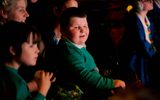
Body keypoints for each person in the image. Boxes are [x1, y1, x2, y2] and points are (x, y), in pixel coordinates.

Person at [53, 7, 126, 100]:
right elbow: (83, 75)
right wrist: (111, 83)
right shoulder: (68, 50)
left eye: (85, 26)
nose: (83, 30)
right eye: (76, 27)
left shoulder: (76, 46)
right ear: (63, 31)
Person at [0, 21, 55, 100]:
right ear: (14, 50)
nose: (37, 50)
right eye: (31, 46)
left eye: (37, 45)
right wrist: (42, 91)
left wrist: (35, 84)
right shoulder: (15, 81)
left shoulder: (7, 73)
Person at [119, 0, 160, 89]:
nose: (152, 2)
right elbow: (141, 44)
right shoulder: (134, 22)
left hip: (149, 54)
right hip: (138, 59)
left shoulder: (148, 18)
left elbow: (154, 37)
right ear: (140, 3)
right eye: (148, 0)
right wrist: (156, 55)